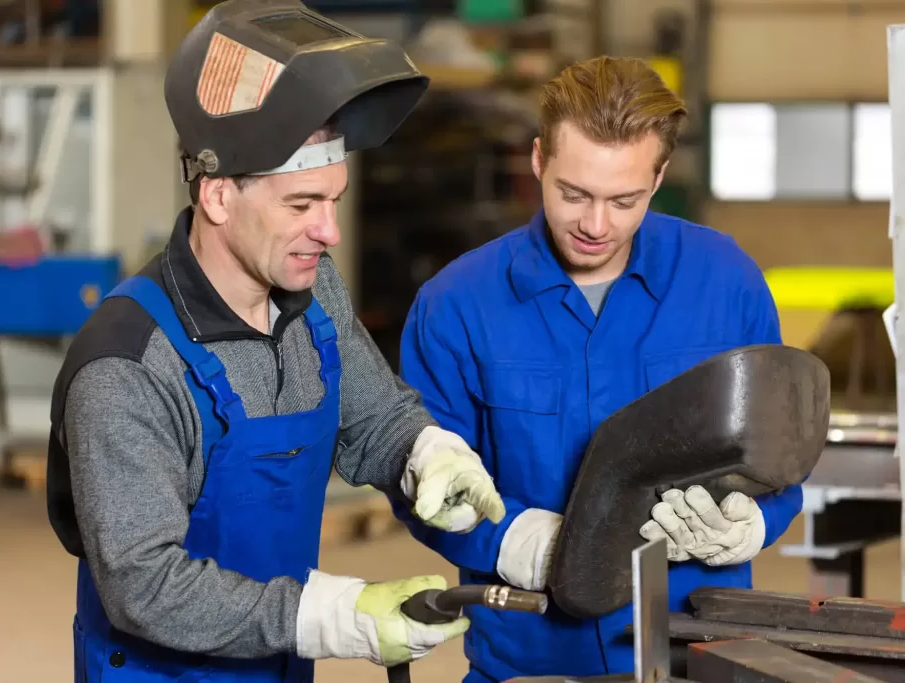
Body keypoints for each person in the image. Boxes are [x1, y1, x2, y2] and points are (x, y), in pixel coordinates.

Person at [45, 3, 508, 682]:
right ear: (219, 197)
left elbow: (375, 416)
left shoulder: (314, 290)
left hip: (278, 663)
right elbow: (144, 586)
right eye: (301, 206)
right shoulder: (129, 365)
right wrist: (334, 614)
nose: (331, 233)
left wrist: (423, 450)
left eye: (333, 200)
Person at [395, 56, 803, 681]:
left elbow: (775, 460)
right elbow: (417, 480)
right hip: (525, 665)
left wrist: (756, 523)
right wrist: (507, 541)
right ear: (538, 160)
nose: (594, 224)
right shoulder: (457, 305)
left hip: (697, 655)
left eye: (624, 200)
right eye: (573, 193)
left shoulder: (726, 282)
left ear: (660, 175)